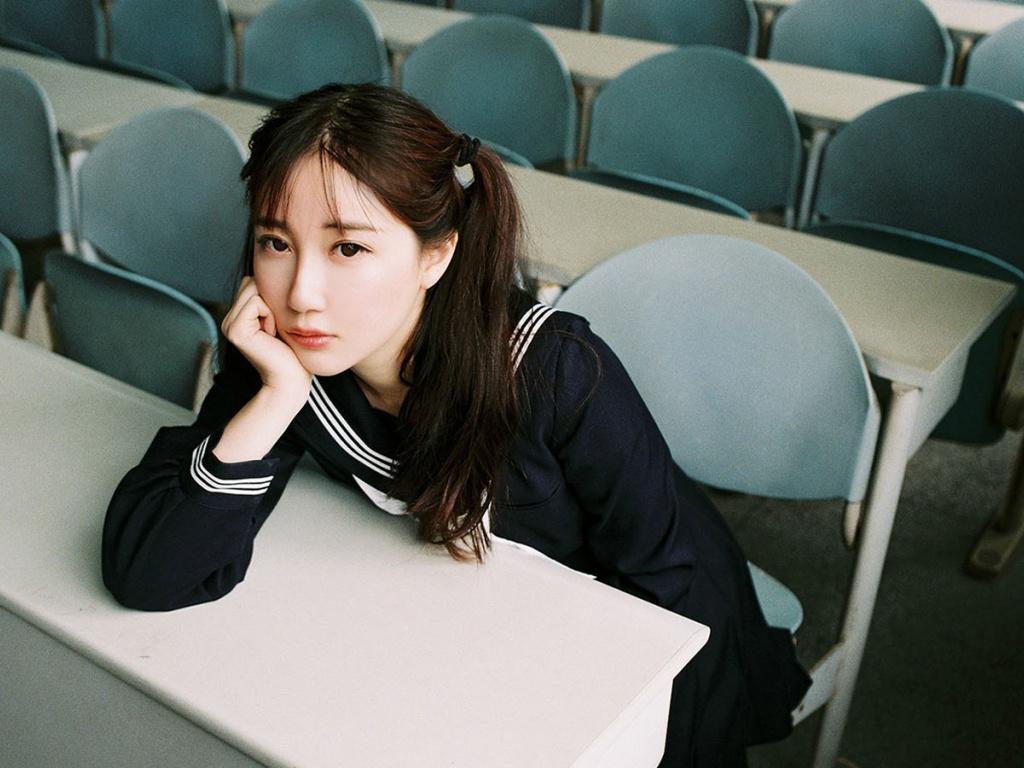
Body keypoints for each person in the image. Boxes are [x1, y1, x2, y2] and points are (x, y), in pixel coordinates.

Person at [102, 83, 810, 767]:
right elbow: (149, 574)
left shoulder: (556, 370)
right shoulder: (286, 355)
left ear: (435, 255)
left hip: (646, 624)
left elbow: (667, 599)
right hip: (474, 619)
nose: (301, 294)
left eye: (348, 248)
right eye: (275, 242)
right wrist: (274, 399)